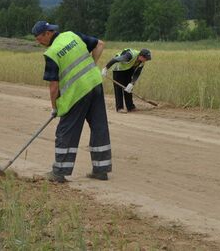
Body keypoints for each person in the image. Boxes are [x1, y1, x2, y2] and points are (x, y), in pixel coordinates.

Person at [32, 20, 111, 183]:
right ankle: (101, 170)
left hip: (77, 93)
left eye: (38, 37)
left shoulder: (52, 53)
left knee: (66, 130)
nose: (37, 41)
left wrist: (55, 108)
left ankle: (59, 172)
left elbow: (53, 87)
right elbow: (100, 44)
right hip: (94, 84)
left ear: (48, 33)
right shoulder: (72, 35)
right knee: (99, 126)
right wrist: (92, 66)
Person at [101, 48, 152, 113]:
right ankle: (119, 108)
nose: (146, 60)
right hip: (118, 69)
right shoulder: (129, 56)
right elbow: (115, 59)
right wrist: (106, 68)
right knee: (118, 88)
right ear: (141, 56)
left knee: (128, 88)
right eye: (146, 59)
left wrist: (132, 83)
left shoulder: (142, 62)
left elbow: (137, 73)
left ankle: (130, 107)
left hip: (128, 70)